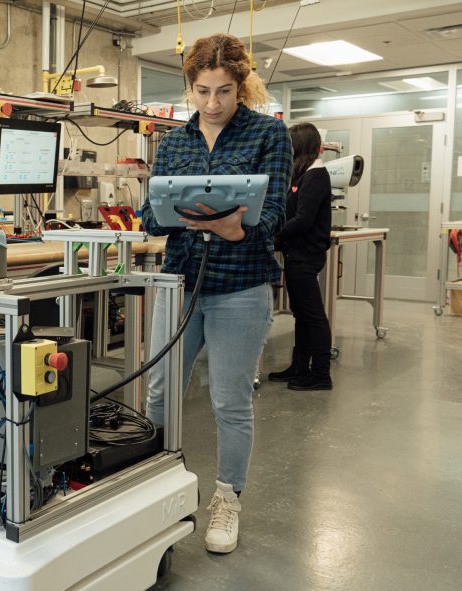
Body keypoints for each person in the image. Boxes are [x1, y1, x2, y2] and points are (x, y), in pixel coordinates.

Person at [141, 33, 291, 554]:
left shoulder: (269, 136)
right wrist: (170, 214)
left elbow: (273, 211)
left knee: (230, 401)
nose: (213, 103)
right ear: (190, 87)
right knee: (160, 393)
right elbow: (147, 214)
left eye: (224, 91)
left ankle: (227, 498)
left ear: (242, 85)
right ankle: (152, 483)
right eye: (203, 91)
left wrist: (240, 230)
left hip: (240, 286)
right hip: (181, 279)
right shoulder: (174, 143)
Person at [270, 123, 334, 391]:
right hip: (296, 253)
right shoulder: (303, 174)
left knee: (313, 316)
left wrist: (273, 235)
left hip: (306, 255)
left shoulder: (316, 175)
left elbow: (304, 219)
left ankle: (320, 374)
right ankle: (299, 366)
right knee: (302, 315)